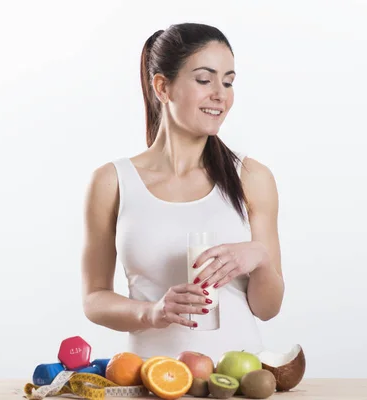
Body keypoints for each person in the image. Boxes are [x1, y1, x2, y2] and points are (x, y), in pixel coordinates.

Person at [81, 23, 284, 363]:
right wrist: (153, 312)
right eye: (205, 80)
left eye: (229, 81)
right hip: (154, 380)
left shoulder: (252, 177)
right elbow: (94, 299)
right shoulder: (112, 182)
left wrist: (259, 258)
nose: (220, 93)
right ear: (163, 86)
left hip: (238, 381)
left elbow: (268, 308)